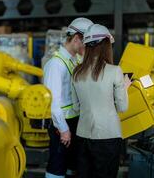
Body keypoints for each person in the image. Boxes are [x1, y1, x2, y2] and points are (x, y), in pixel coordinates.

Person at [71, 24, 131, 178]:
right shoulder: (114, 71)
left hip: (83, 135)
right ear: (106, 45)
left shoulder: (76, 72)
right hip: (108, 136)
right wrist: (125, 87)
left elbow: (76, 107)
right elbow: (123, 107)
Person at [43, 17, 94, 178]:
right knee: (57, 165)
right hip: (61, 124)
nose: (88, 47)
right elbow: (53, 102)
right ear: (77, 38)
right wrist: (63, 130)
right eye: (86, 43)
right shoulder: (56, 65)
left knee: (71, 165)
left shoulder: (73, 61)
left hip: (73, 121)